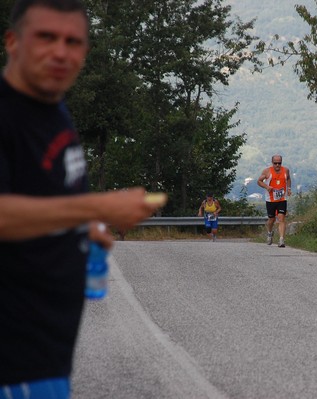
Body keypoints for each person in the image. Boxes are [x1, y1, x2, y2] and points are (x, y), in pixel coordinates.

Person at [0, 1, 164, 397]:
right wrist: (98, 207)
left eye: (73, 41)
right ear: (12, 42)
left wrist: (82, 226)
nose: (61, 52)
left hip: (46, 349)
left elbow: (38, 200)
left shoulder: (52, 108)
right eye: (46, 37)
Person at [257, 154, 292, 247]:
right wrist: (267, 186)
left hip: (282, 199)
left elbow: (288, 179)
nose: (277, 165)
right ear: (272, 163)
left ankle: (281, 240)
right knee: (271, 219)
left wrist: (288, 188)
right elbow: (259, 181)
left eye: (279, 163)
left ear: (281, 163)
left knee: (281, 218)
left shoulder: (286, 170)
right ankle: (269, 233)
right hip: (270, 200)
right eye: (275, 163)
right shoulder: (267, 171)